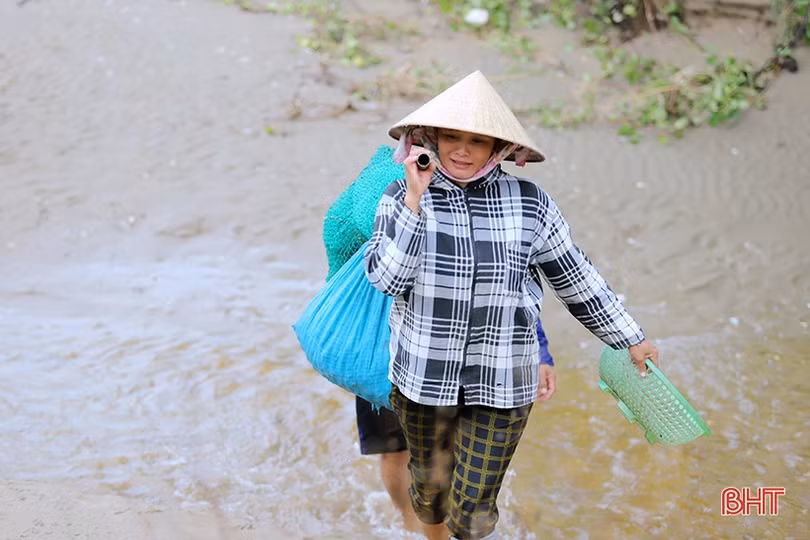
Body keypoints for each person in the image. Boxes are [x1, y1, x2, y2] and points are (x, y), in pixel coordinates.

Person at [363, 71, 659, 540]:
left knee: (473, 513)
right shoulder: (401, 197)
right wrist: (416, 203)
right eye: (452, 137)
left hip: (504, 379)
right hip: (423, 376)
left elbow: (575, 276)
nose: (462, 150)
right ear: (431, 138)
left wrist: (630, 336)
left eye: (477, 141)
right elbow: (388, 279)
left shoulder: (530, 204)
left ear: (497, 148)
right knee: (430, 492)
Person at [322, 145, 559, 537]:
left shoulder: (502, 195)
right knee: (417, 452)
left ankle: (419, 522)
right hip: (403, 348)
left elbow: (512, 282)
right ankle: (423, 525)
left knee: (407, 451)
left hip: (408, 347)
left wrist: (540, 351)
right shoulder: (394, 183)